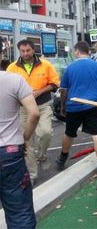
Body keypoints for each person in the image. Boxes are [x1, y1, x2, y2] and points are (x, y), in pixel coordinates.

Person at [56, 41, 97, 178]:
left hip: (74, 106)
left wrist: (63, 106)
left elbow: (64, 90)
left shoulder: (70, 68)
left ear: (77, 52)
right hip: (94, 104)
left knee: (69, 133)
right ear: (88, 51)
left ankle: (62, 159)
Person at [7, 39, 60, 184]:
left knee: (45, 133)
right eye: (22, 51)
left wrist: (40, 91)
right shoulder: (12, 68)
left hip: (43, 105)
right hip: (23, 109)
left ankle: (42, 155)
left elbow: (55, 83)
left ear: (33, 50)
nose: (25, 54)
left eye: (28, 50)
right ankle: (31, 174)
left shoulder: (46, 65)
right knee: (26, 140)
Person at [0, 71, 40, 229]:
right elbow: (35, 113)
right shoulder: (14, 80)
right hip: (9, 150)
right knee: (20, 212)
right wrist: (25, 137)